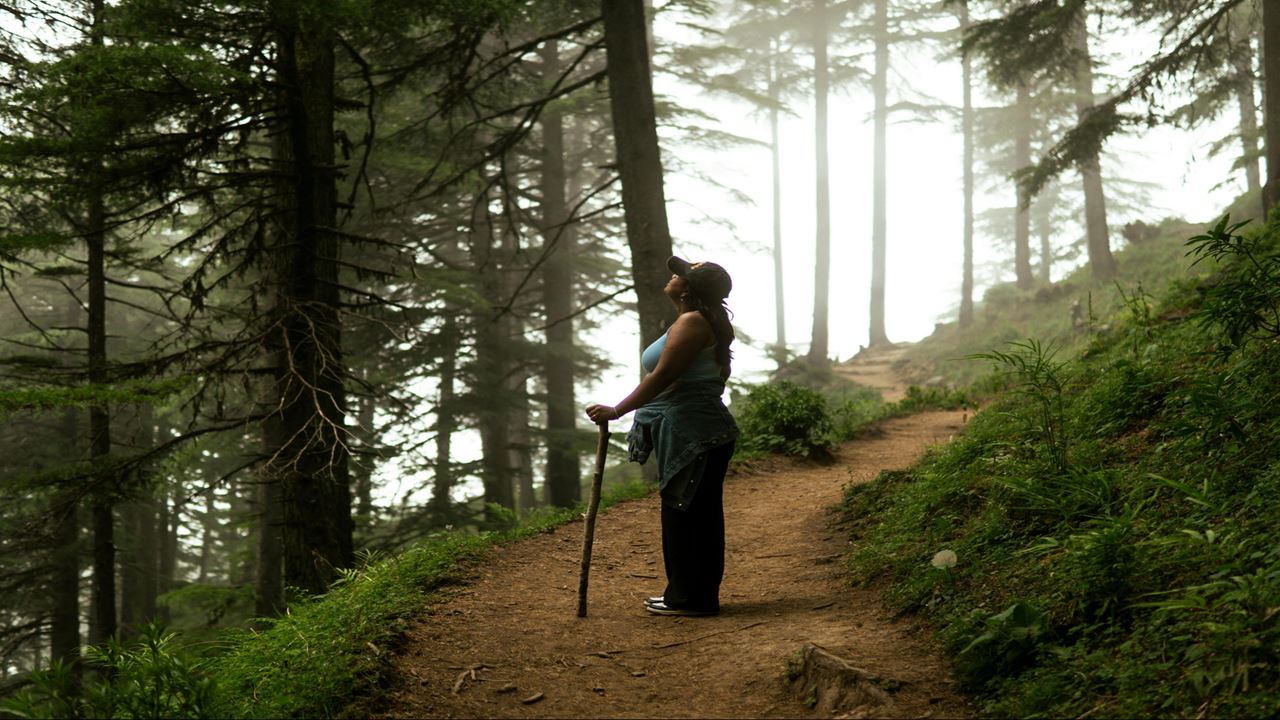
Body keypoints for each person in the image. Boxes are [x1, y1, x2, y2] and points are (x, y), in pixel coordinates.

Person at [585, 256, 739, 617]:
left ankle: (693, 600)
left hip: (694, 433)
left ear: (688, 289)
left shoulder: (692, 322)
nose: (673, 275)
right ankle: (685, 594)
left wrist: (617, 410)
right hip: (697, 429)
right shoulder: (696, 320)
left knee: (689, 513)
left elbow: (663, 376)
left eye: (681, 275)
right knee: (688, 512)